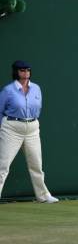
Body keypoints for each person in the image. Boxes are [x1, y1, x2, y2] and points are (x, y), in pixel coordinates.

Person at [0, 60, 58, 203]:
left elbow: (38, 109)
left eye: (27, 70)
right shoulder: (8, 90)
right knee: (3, 165)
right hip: (12, 128)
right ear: (16, 72)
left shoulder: (36, 88)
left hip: (32, 128)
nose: (25, 73)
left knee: (36, 165)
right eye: (22, 70)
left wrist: (32, 122)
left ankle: (43, 196)